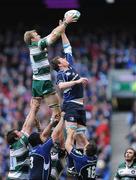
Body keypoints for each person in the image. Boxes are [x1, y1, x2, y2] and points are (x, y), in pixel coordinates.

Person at [50, 20, 89, 175]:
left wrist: (63, 31)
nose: (65, 58)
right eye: (62, 59)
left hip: (80, 106)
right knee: (71, 136)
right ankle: (71, 165)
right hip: (70, 105)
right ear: (60, 64)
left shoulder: (70, 65)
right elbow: (60, 87)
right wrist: (77, 81)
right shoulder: (61, 74)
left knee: (81, 137)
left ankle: (84, 162)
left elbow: (68, 47)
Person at [23, 15, 77, 123]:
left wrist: (61, 27)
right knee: (57, 113)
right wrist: (66, 23)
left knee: (33, 110)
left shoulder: (34, 46)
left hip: (36, 81)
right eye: (37, 35)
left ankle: (24, 133)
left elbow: (52, 33)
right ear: (33, 39)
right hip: (44, 82)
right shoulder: (38, 45)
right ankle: (54, 137)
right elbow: (53, 37)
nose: (39, 35)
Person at [6, 98, 41, 180]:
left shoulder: (16, 145)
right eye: (18, 132)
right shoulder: (20, 145)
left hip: (13, 177)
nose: (20, 131)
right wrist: (33, 108)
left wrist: (32, 109)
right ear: (16, 137)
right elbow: (28, 127)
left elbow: (25, 126)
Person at [28, 112, 65, 180]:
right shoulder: (42, 149)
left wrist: (52, 122)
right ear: (38, 140)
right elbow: (55, 135)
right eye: (40, 135)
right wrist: (63, 118)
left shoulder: (32, 151)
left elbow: (44, 135)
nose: (42, 134)